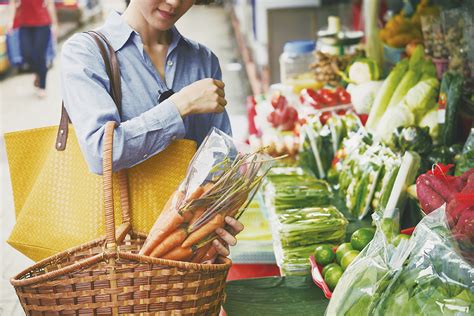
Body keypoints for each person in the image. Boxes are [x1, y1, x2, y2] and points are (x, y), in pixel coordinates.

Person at [61, 0, 242, 259]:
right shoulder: (85, 52)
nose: (174, 2)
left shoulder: (203, 60)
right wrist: (180, 105)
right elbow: (100, 152)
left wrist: (221, 215)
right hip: (115, 256)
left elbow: (221, 162)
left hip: (187, 253)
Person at [8, 0, 58, 98]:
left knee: (40, 55)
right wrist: (10, 20)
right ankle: (38, 72)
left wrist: (55, 23)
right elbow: (13, 3)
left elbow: (50, 3)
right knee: (26, 54)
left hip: (42, 23)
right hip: (24, 24)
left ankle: (42, 87)